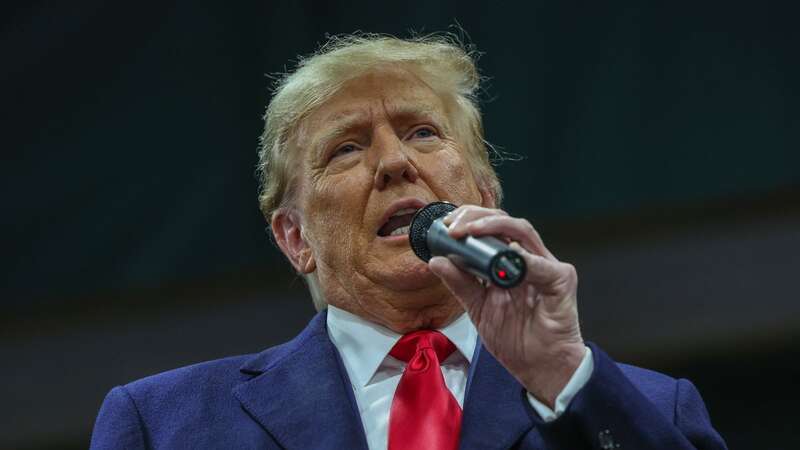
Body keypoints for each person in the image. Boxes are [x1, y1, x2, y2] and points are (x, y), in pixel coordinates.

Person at [90, 33, 727, 450]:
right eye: (347, 148)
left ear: (484, 195)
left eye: (423, 133)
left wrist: (561, 374)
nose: (394, 163)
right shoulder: (165, 424)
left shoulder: (646, 409)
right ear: (294, 239)